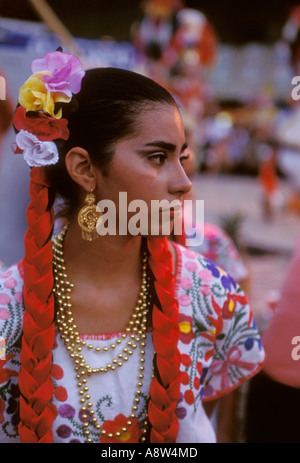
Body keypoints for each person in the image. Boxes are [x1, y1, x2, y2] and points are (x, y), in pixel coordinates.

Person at [0, 50, 264, 444]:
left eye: (182, 157)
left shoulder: (210, 294)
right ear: (84, 169)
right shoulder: (9, 312)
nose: (183, 182)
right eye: (157, 157)